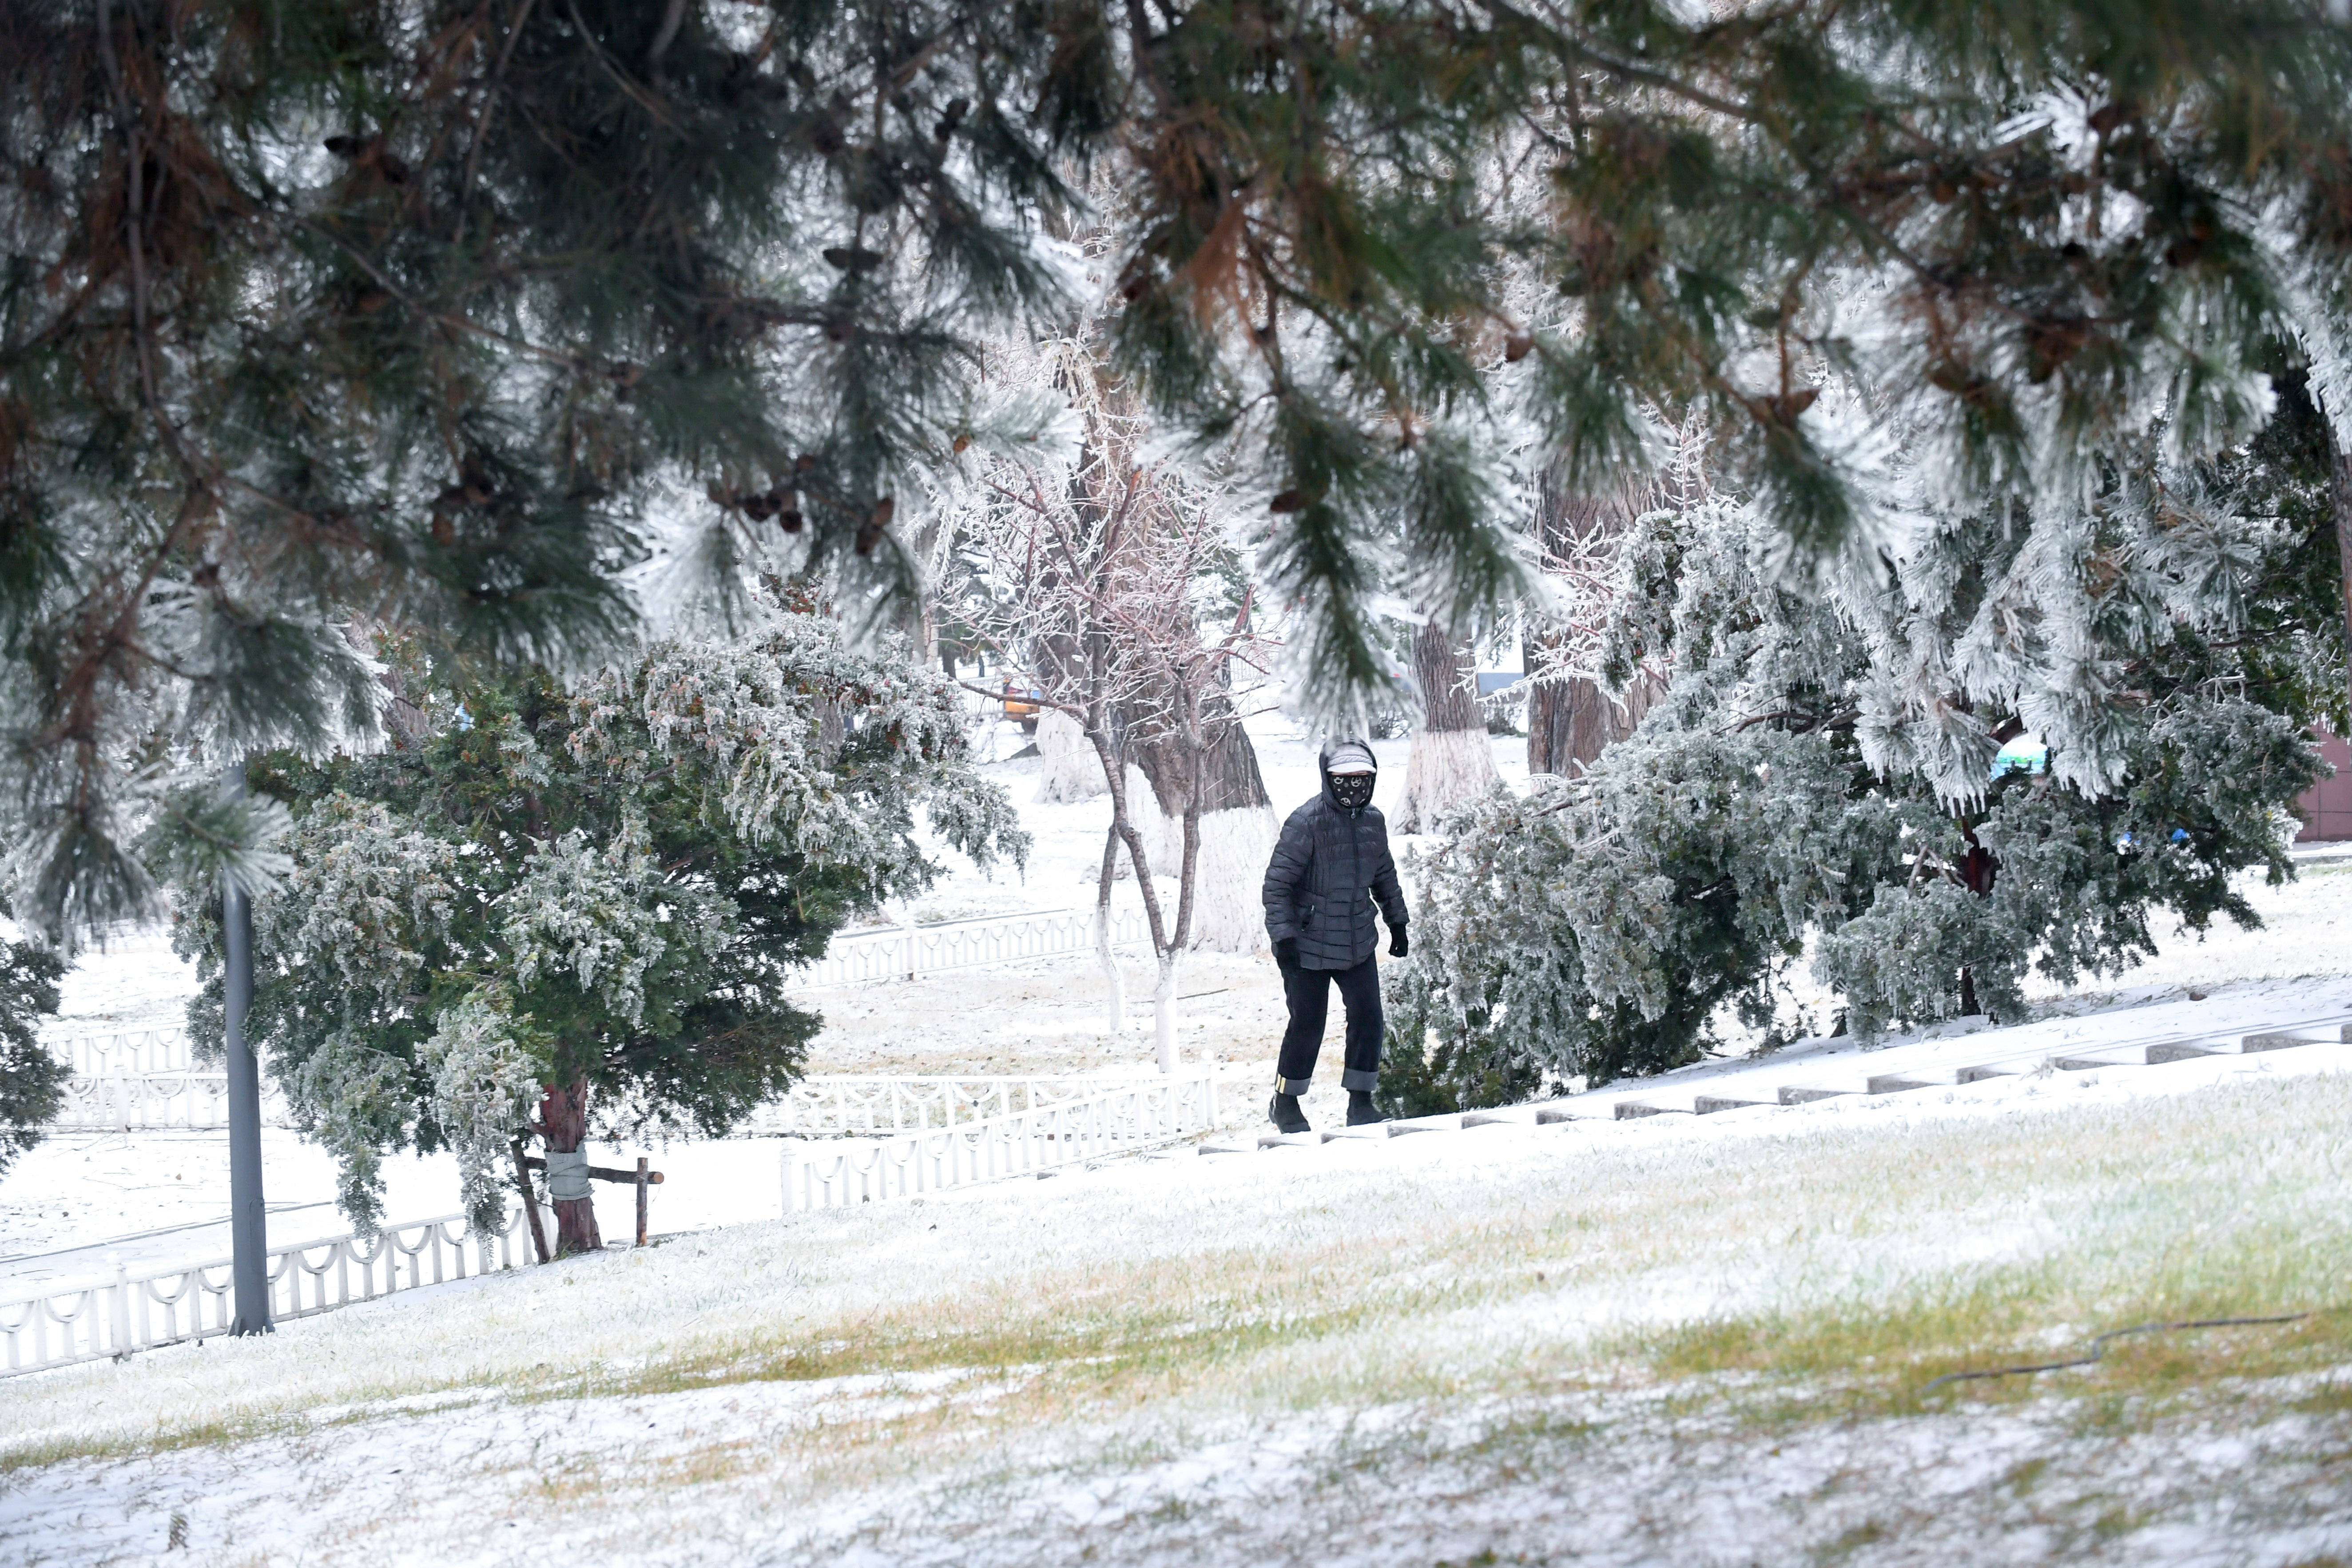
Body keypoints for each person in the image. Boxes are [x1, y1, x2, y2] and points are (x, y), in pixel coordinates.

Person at [1260, 738, 1409, 1133]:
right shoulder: (1306, 822)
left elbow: (1385, 875)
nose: (1353, 787)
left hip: (1357, 939)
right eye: (1343, 779)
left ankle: (1361, 1103)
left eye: (1361, 778)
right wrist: (1285, 938)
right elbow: (1277, 885)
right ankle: (1285, 1101)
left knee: (1369, 1018)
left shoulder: (1374, 821)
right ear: (1328, 779)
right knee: (1308, 1023)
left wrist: (1398, 923)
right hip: (1305, 945)